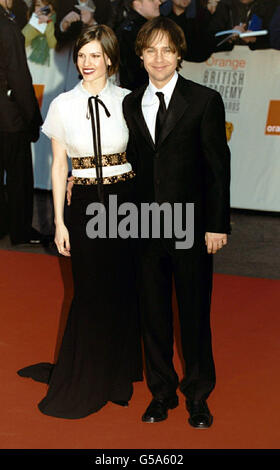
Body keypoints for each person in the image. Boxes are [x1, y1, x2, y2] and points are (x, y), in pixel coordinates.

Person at [17, 24, 142, 419]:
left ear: (109, 58)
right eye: (81, 56)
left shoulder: (129, 100)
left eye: (94, 55)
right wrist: (59, 222)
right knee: (89, 292)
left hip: (126, 202)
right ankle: (84, 377)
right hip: (84, 204)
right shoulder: (62, 105)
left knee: (123, 289)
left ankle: (116, 375)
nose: (87, 63)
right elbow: (58, 167)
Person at [122, 16, 231, 428]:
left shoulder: (204, 100)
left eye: (167, 49)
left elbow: (218, 169)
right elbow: (127, 165)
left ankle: (198, 396)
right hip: (143, 226)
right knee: (152, 316)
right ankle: (161, 393)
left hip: (191, 225)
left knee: (194, 315)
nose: (159, 58)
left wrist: (217, 225)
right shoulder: (130, 103)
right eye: (151, 50)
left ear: (180, 54)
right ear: (141, 55)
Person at [0, 0, 43, 244]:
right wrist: (33, 118)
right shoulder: (7, 27)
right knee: (19, 178)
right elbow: (19, 76)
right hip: (10, 117)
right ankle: (20, 230)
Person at [116, 0, 161, 90]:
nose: (158, 2)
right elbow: (133, 74)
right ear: (137, 4)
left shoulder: (142, 28)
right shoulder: (131, 31)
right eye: (152, 0)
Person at [208, 0, 279, 52]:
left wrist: (254, 40)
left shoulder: (272, 5)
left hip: (261, 62)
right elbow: (210, 38)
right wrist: (230, 38)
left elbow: (274, 39)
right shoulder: (225, 5)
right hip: (225, 61)